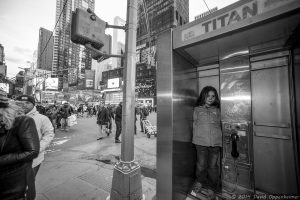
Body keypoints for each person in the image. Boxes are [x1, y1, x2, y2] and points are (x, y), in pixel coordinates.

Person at [0, 95, 40, 200]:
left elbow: (33, 150)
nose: (24, 105)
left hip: (14, 184)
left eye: (27, 103)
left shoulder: (24, 120)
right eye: (21, 102)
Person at [192, 86, 222, 197]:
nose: (210, 98)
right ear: (203, 96)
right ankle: (200, 181)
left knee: (213, 166)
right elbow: (194, 125)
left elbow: (219, 125)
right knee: (201, 165)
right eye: (208, 96)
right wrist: (196, 139)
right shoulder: (197, 109)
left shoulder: (217, 110)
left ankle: (212, 186)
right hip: (200, 143)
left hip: (215, 143)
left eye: (213, 96)